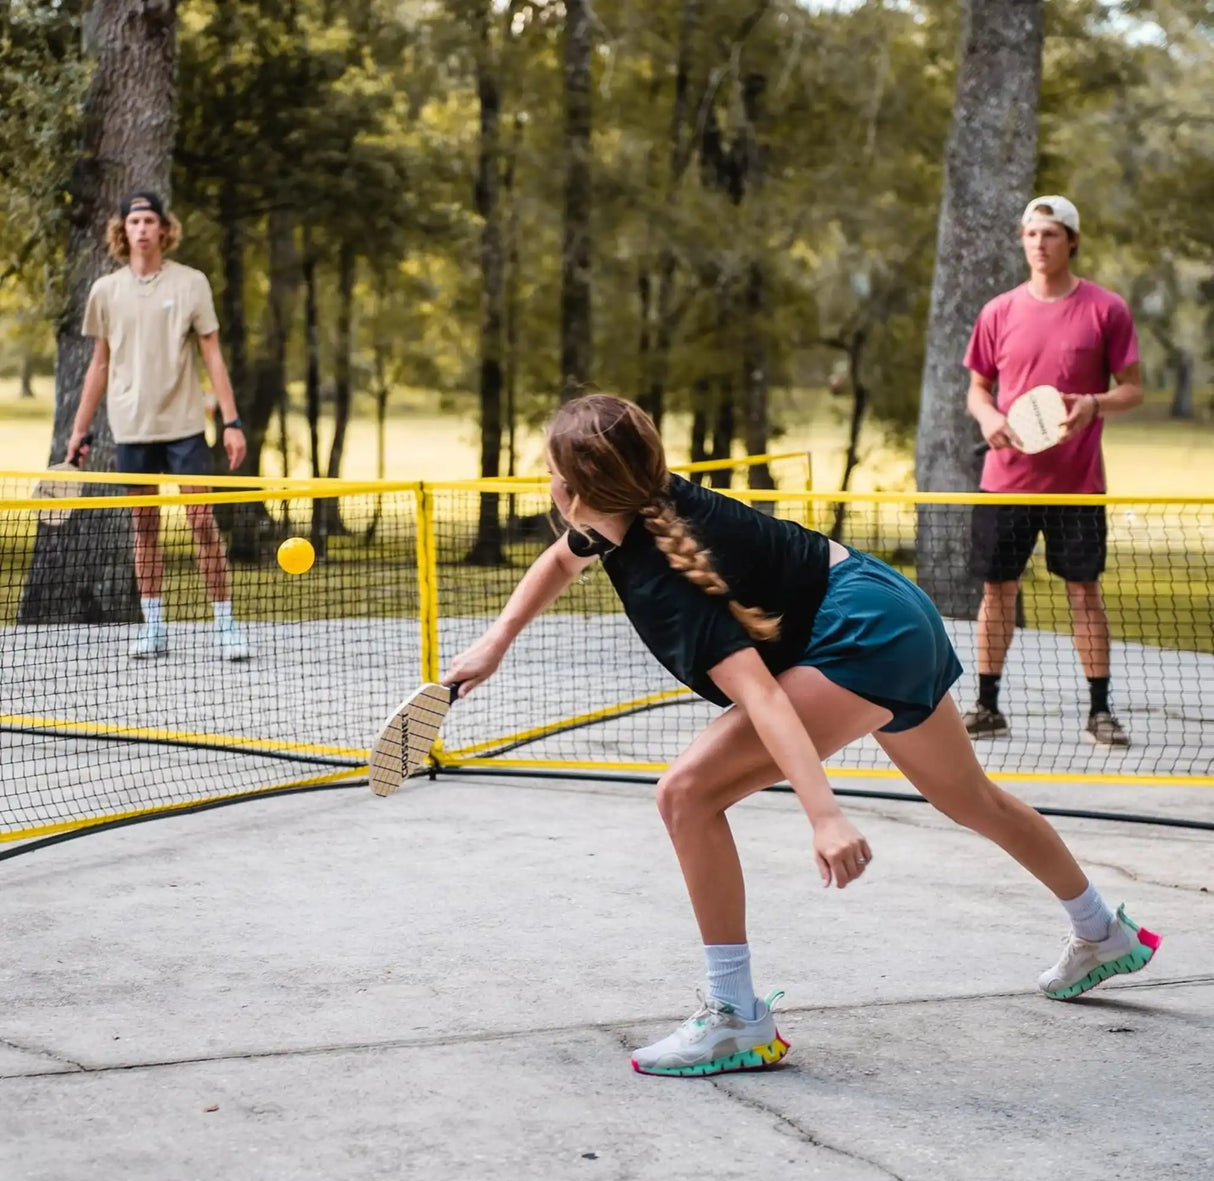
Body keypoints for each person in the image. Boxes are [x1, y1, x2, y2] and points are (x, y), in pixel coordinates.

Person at [443, 394, 1160, 1078]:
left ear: (570, 489)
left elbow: (763, 698)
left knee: (686, 795)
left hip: (861, 636)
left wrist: (824, 814)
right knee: (972, 798)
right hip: (887, 603)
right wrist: (496, 642)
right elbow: (566, 557)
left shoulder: (666, 580)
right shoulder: (646, 502)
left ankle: (734, 1015)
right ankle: (1102, 930)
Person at [964, 195, 1142, 746]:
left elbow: (1133, 389)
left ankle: (1100, 713)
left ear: (1072, 241)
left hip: (1077, 484)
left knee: (1083, 592)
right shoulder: (998, 311)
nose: (1039, 244)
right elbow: (977, 388)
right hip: (1004, 482)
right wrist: (989, 416)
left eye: (1050, 234)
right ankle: (987, 707)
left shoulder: (1105, 309)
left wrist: (1092, 404)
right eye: (1031, 234)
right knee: (998, 591)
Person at [66, 190, 250, 661]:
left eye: (150, 221)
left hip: (186, 425)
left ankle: (226, 627)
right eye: (134, 222)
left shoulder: (191, 283)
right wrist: (79, 431)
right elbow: (99, 366)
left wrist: (231, 422)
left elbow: (212, 354)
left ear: (164, 230)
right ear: (123, 232)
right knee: (144, 527)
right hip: (131, 428)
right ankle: (154, 629)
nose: (142, 229)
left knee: (203, 522)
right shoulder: (105, 291)